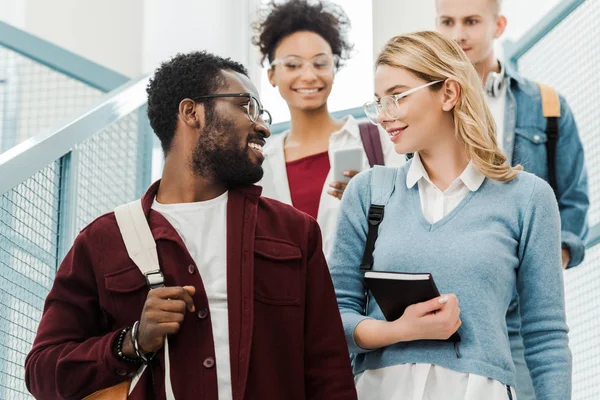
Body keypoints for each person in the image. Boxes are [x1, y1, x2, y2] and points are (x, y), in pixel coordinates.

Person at [24, 51, 357, 400]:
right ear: (192, 112)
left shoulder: (294, 232)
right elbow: (43, 372)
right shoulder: (103, 241)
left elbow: (329, 373)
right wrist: (132, 342)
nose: (263, 126)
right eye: (247, 107)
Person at [330, 31, 571, 400]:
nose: (383, 115)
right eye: (378, 102)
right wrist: (402, 330)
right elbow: (334, 317)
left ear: (448, 93)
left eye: (397, 97)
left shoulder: (528, 198)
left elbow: (546, 336)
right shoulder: (368, 192)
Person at [435, 1, 588, 397]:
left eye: (471, 21)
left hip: (522, 303)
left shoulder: (547, 105)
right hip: (452, 295)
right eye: (447, 22)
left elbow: (573, 199)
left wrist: (548, 263)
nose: (458, 34)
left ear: (498, 25)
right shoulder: (426, 105)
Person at [253, 0, 405, 258]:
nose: (309, 75)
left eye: (320, 63)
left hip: (357, 294)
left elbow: (411, 220)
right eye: (293, 65)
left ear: (334, 68)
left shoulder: (378, 140)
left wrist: (370, 204)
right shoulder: (262, 162)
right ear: (271, 75)